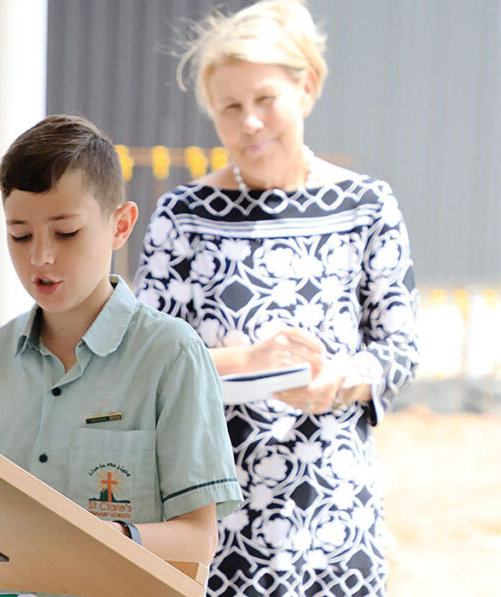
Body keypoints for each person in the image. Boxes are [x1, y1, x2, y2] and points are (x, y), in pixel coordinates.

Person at [134, 1, 419, 595]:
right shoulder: (181, 216)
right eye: (230, 108)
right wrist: (248, 362)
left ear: (307, 87)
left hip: (337, 520)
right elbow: (146, 364)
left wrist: (341, 378)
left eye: (265, 100)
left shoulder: (367, 206)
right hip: (212, 520)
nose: (250, 124)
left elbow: (400, 348)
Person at [0, 114, 242, 566]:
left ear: (120, 225)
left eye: (66, 232)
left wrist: (100, 536)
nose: (40, 255)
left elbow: (198, 538)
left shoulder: (170, 356)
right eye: (19, 235)